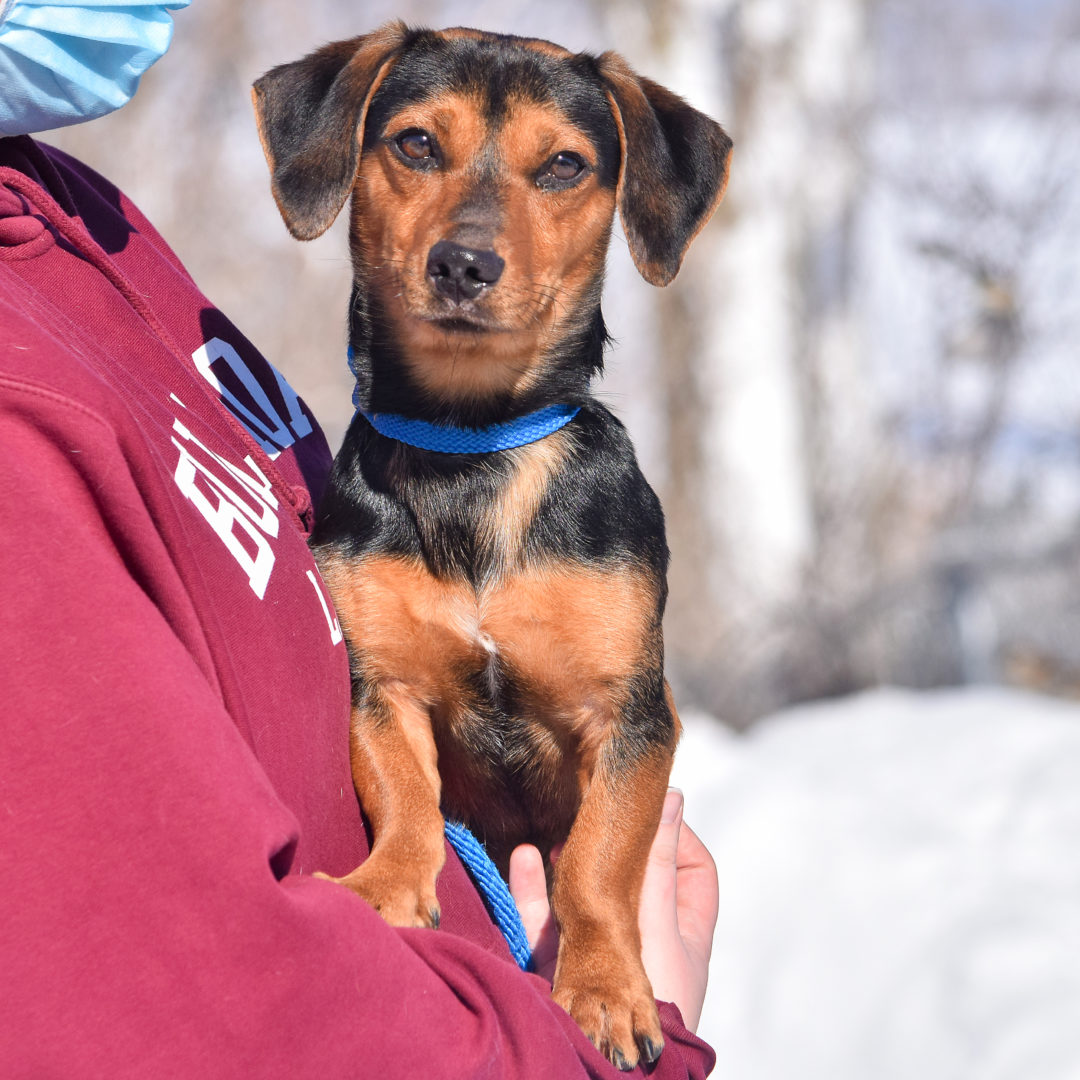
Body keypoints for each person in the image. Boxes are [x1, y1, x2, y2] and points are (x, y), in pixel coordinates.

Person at [0, 3, 719, 1076]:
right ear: (338, 155)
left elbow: (631, 724)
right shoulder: (356, 513)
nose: (474, 235)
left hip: (562, 990)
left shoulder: (84, 219)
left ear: (634, 201)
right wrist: (407, 850)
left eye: (559, 170)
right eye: (419, 150)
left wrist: (603, 927)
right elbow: (377, 700)